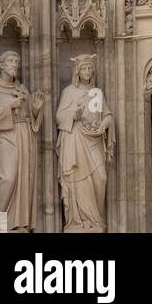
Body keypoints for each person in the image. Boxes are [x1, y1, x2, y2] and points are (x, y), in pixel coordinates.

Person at [0, 50, 44, 232]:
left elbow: (30, 117)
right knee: (7, 178)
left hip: (23, 136)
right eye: (11, 60)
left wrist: (35, 110)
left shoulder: (22, 88)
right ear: (1, 64)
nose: (14, 63)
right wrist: (10, 105)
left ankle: (18, 225)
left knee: (22, 178)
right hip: (4, 137)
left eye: (17, 61)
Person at [55, 54, 114, 233]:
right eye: (84, 68)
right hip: (76, 138)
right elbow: (59, 117)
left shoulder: (97, 92)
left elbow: (107, 114)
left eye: (90, 68)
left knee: (101, 177)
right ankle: (78, 221)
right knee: (77, 179)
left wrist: (104, 124)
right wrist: (74, 115)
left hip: (94, 139)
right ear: (77, 71)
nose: (87, 71)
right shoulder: (69, 92)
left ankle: (95, 220)